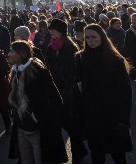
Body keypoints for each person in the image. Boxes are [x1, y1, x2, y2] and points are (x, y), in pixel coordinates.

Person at [75, 23, 133, 164]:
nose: (90, 40)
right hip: (92, 116)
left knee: (118, 155)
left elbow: (125, 92)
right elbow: (78, 88)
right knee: (97, 155)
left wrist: (124, 120)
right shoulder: (80, 58)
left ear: (102, 37)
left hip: (113, 116)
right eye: (87, 38)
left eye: (93, 37)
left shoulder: (115, 59)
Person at [7, 40, 67, 164]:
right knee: (25, 160)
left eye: (11, 51)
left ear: (21, 54)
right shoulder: (15, 71)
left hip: (38, 128)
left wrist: (41, 117)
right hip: (21, 126)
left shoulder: (38, 71)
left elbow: (55, 98)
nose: (8, 54)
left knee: (42, 159)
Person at [45, 17, 87, 164]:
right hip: (56, 93)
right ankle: (80, 147)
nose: (51, 31)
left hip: (70, 93)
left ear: (61, 31)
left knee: (73, 126)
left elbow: (74, 72)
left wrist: (68, 88)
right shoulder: (51, 48)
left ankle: (78, 156)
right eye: (50, 29)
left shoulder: (70, 47)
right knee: (63, 123)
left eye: (53, 29)